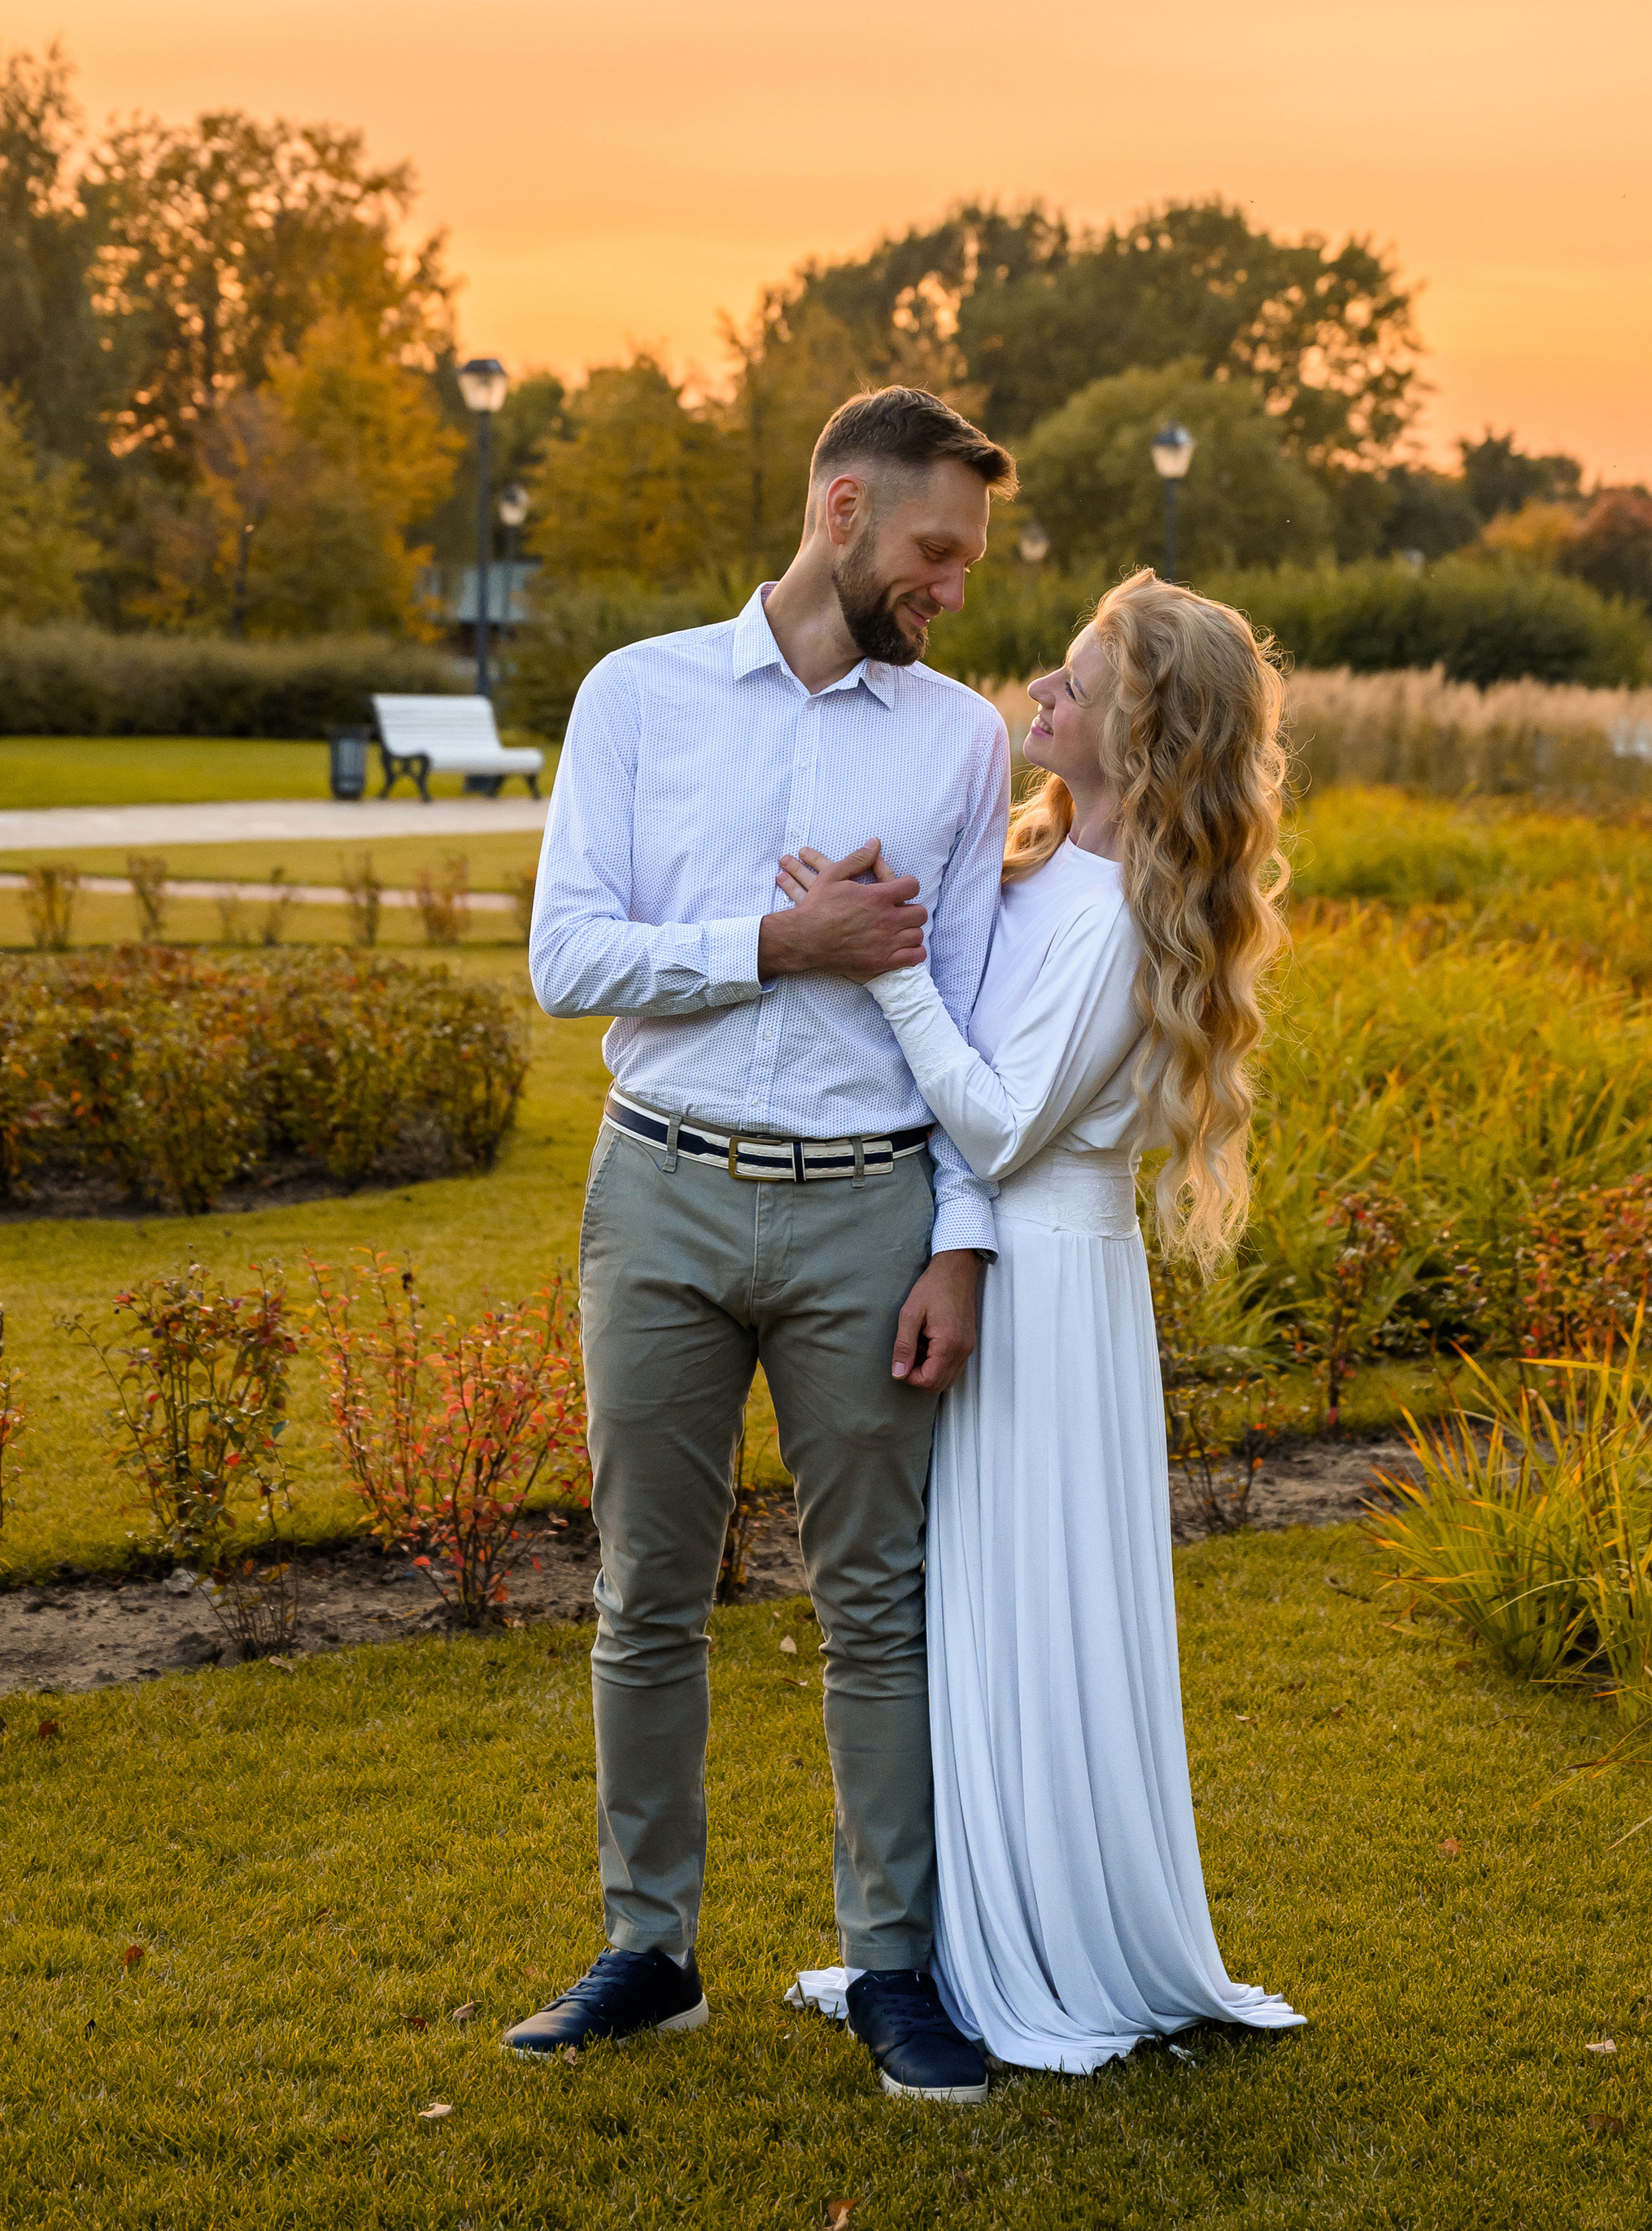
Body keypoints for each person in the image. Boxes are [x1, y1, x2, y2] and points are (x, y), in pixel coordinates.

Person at [509, 386, 1017, 2105]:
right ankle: (646, 1951)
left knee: (875, 1604)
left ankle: (893, 1968)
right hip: (655, 1191)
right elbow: (567, 956)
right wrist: (778, 938)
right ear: (844, 505)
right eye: (935, 549)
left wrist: (956, 1243)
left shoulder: (959, 739)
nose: (952, 585)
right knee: (645, 1594)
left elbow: (968, 1011)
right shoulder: (636, 694)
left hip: (870, 1210)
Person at [785, 571, 1305, 2070]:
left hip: (1052, 1295)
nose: (1039, 696)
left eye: (1070, 686)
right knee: (979, 1616)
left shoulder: (1125, 920)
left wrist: (882, 974)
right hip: (1006, 1272)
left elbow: (1006, 1126)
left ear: (1135, 728)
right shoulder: (1049, 866)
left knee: (1032, 1611)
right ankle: (965, 1923)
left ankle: (1049, 1940)